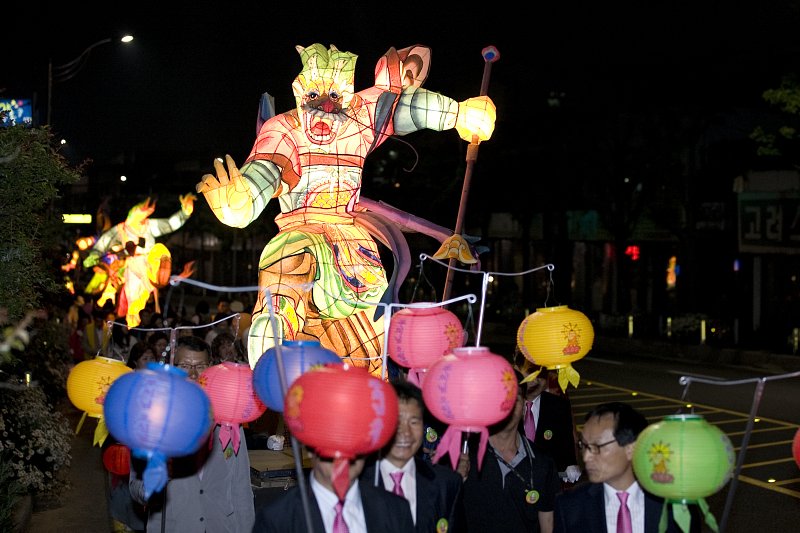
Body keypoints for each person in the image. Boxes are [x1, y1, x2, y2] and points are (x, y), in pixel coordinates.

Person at [196, 42, 496, 374]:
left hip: (354, 245)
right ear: (299, 92)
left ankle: (376, 375)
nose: (325, 106)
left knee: (371, 342)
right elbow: (264, 170)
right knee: (286, 253)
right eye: (314, 97)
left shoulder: (359, 117)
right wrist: (243, 199)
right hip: (302, 230)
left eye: (335, 97)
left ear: (347, 95)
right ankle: (274, 327)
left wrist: (458, 113)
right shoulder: (283, 129)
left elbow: (405, 107)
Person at [129, 335, 255, 532]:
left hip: (221, 525)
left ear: (212, 368)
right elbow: (137, 489)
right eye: (185, 366)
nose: (194, 374)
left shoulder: (229, 420)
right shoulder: (152, 421)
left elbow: (241, 487)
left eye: (201, 366)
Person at [552, 402, 690, 533]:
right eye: (584, 445)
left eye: (597, 447)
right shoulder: (570, 507)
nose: (586, 457)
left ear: (631, 449)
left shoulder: (672, 504)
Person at [461, 371, 561, 533]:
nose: (509, 405)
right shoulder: (464, 456)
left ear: (523, 407)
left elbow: (548, 524)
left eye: (516, 398)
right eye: (501, 397)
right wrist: (455, 479)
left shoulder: (542, 463)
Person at [361, 379, 464, 532]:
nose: (406, 432)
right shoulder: (357, 481)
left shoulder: (446, 483)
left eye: (414, 422)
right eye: (397, 422)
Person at [253, 451, 415, 532]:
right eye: (332, 441)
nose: (342, 454)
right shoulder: (277, 520)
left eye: (352, 440)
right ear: (309, 448)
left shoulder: (395, 510)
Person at [520, 368, 581, 484]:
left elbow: (566, 447)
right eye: (530, 372)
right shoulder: (504, 405)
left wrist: (570, 465)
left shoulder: (559, 406)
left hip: (547, 485)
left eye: (541, 375)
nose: (535, 379)